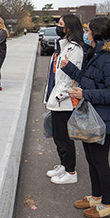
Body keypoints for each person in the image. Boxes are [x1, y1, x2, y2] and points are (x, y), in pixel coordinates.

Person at [60, 16, 110, 218]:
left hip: (104, 119)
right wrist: (69, 68)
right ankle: (96, 196)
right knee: (91, 159)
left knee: (100, 161)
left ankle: (107, 204)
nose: (85, 35)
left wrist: (84, 94)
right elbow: (90, 80)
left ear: (96, 33)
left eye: (88, 31)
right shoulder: (96, 53)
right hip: (92, 115)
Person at [43, 14, 84, 184]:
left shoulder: (75, 49)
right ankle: (64, 164)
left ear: (69, 28)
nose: (58, 27)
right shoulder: (63, 47)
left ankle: (70, 171)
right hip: (57, 100)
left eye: (60, 24)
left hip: (64, 101)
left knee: (64, 138)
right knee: (58, 137)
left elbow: (70, 79)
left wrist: (58, 97)